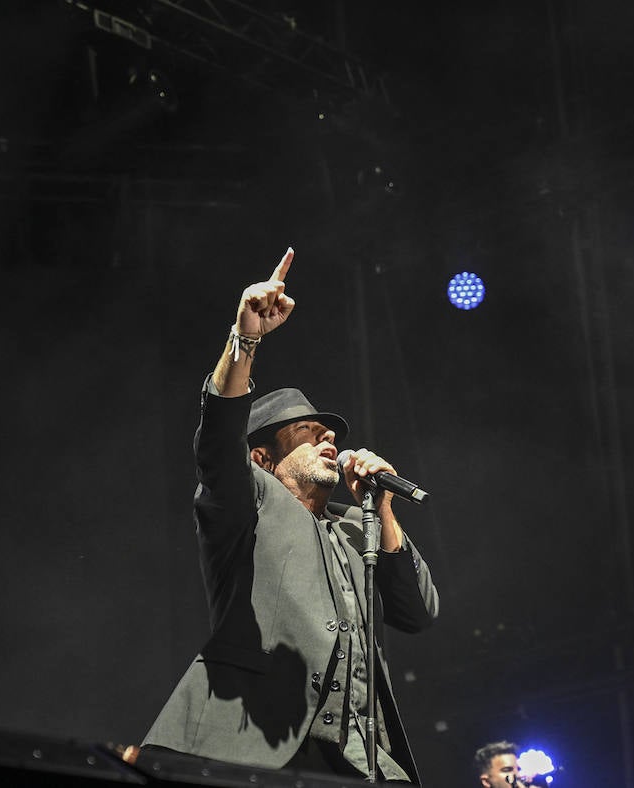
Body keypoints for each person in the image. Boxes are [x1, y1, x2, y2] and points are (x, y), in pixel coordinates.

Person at [142, 247, 440, 782]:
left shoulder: (358, 526)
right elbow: (217, 443)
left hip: (363, 762)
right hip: (258, 748)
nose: (328, 438)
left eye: (329, 434)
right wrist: (245, 339)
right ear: (261, 456)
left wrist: (383, 509)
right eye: (307, 431)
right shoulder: (248, 499)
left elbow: (416, 613)